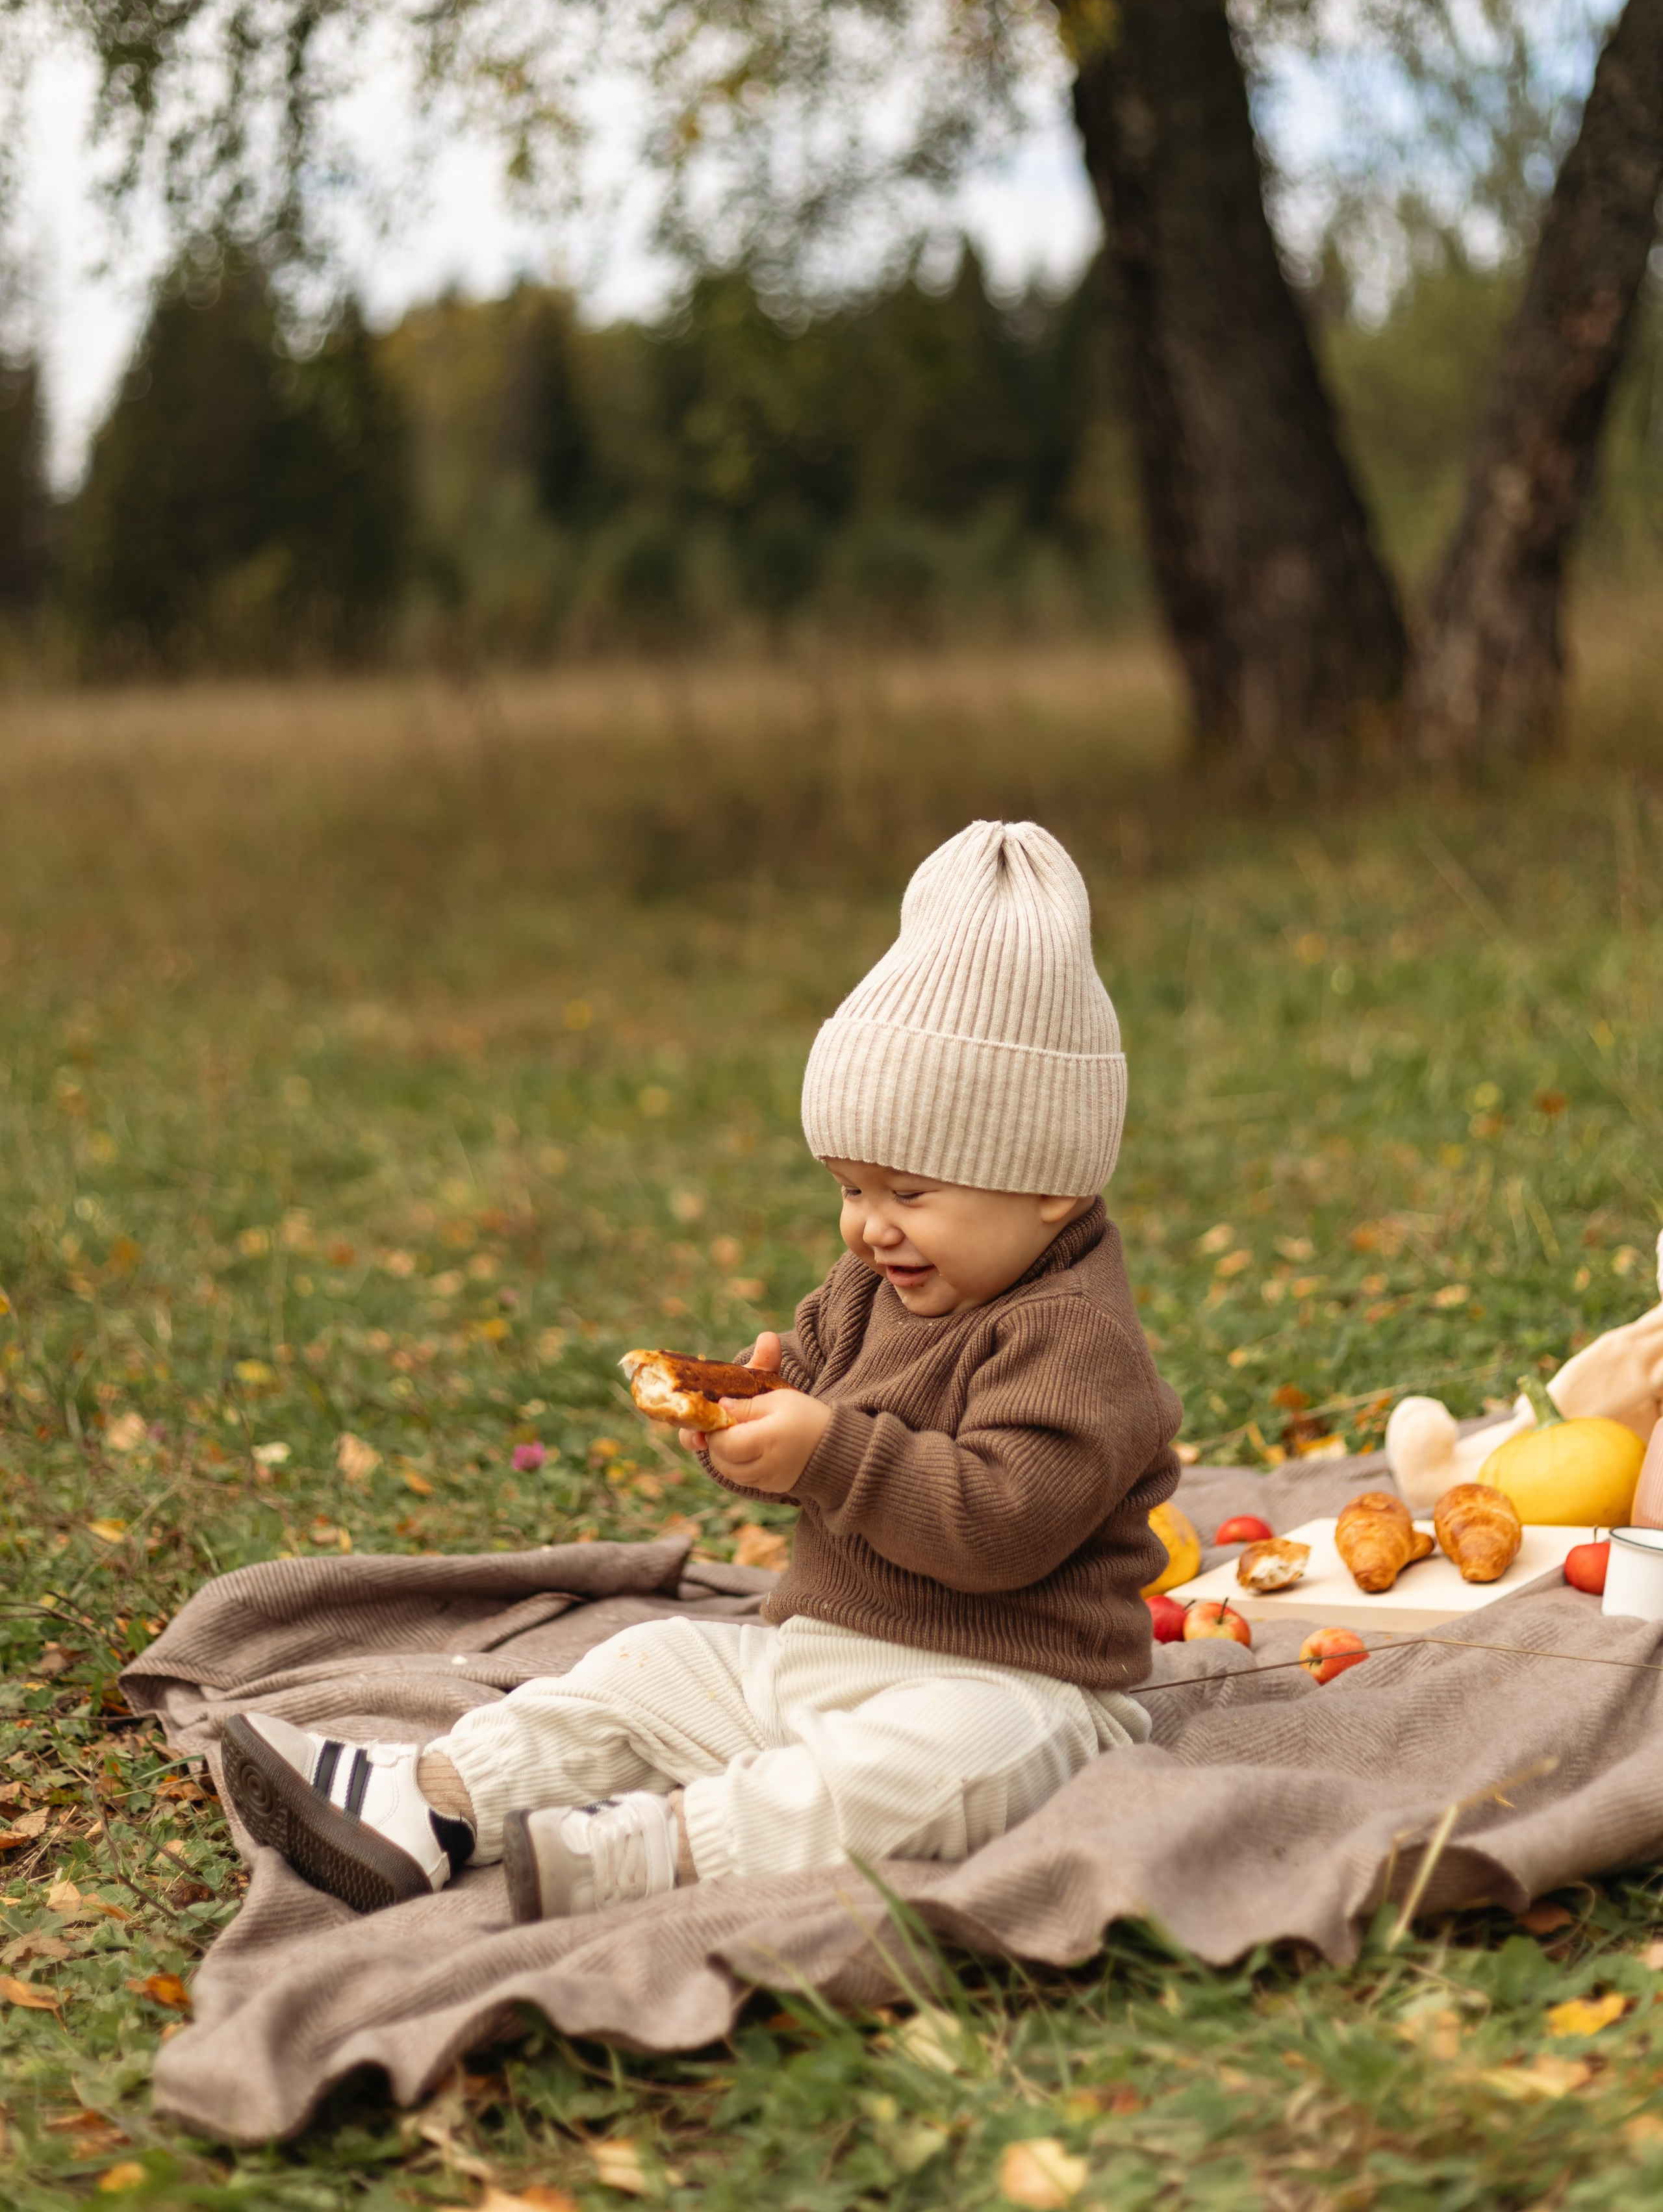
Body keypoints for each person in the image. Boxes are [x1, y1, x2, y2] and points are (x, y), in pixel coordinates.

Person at [222, 820, 1183, 1919]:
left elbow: (1007, 1520)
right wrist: (752, 1428)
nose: (870, 1228)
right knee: (654, 1665)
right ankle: (434, 1800)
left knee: (962, 1761)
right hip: (821, 1655)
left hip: (1012, 1683)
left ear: (1050, 1184)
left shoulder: (1073, 1338)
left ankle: (665, 1848)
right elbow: (810, 1426)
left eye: (908, 1193)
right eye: (849, 1186)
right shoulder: (872, 1285)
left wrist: (827, 1452)